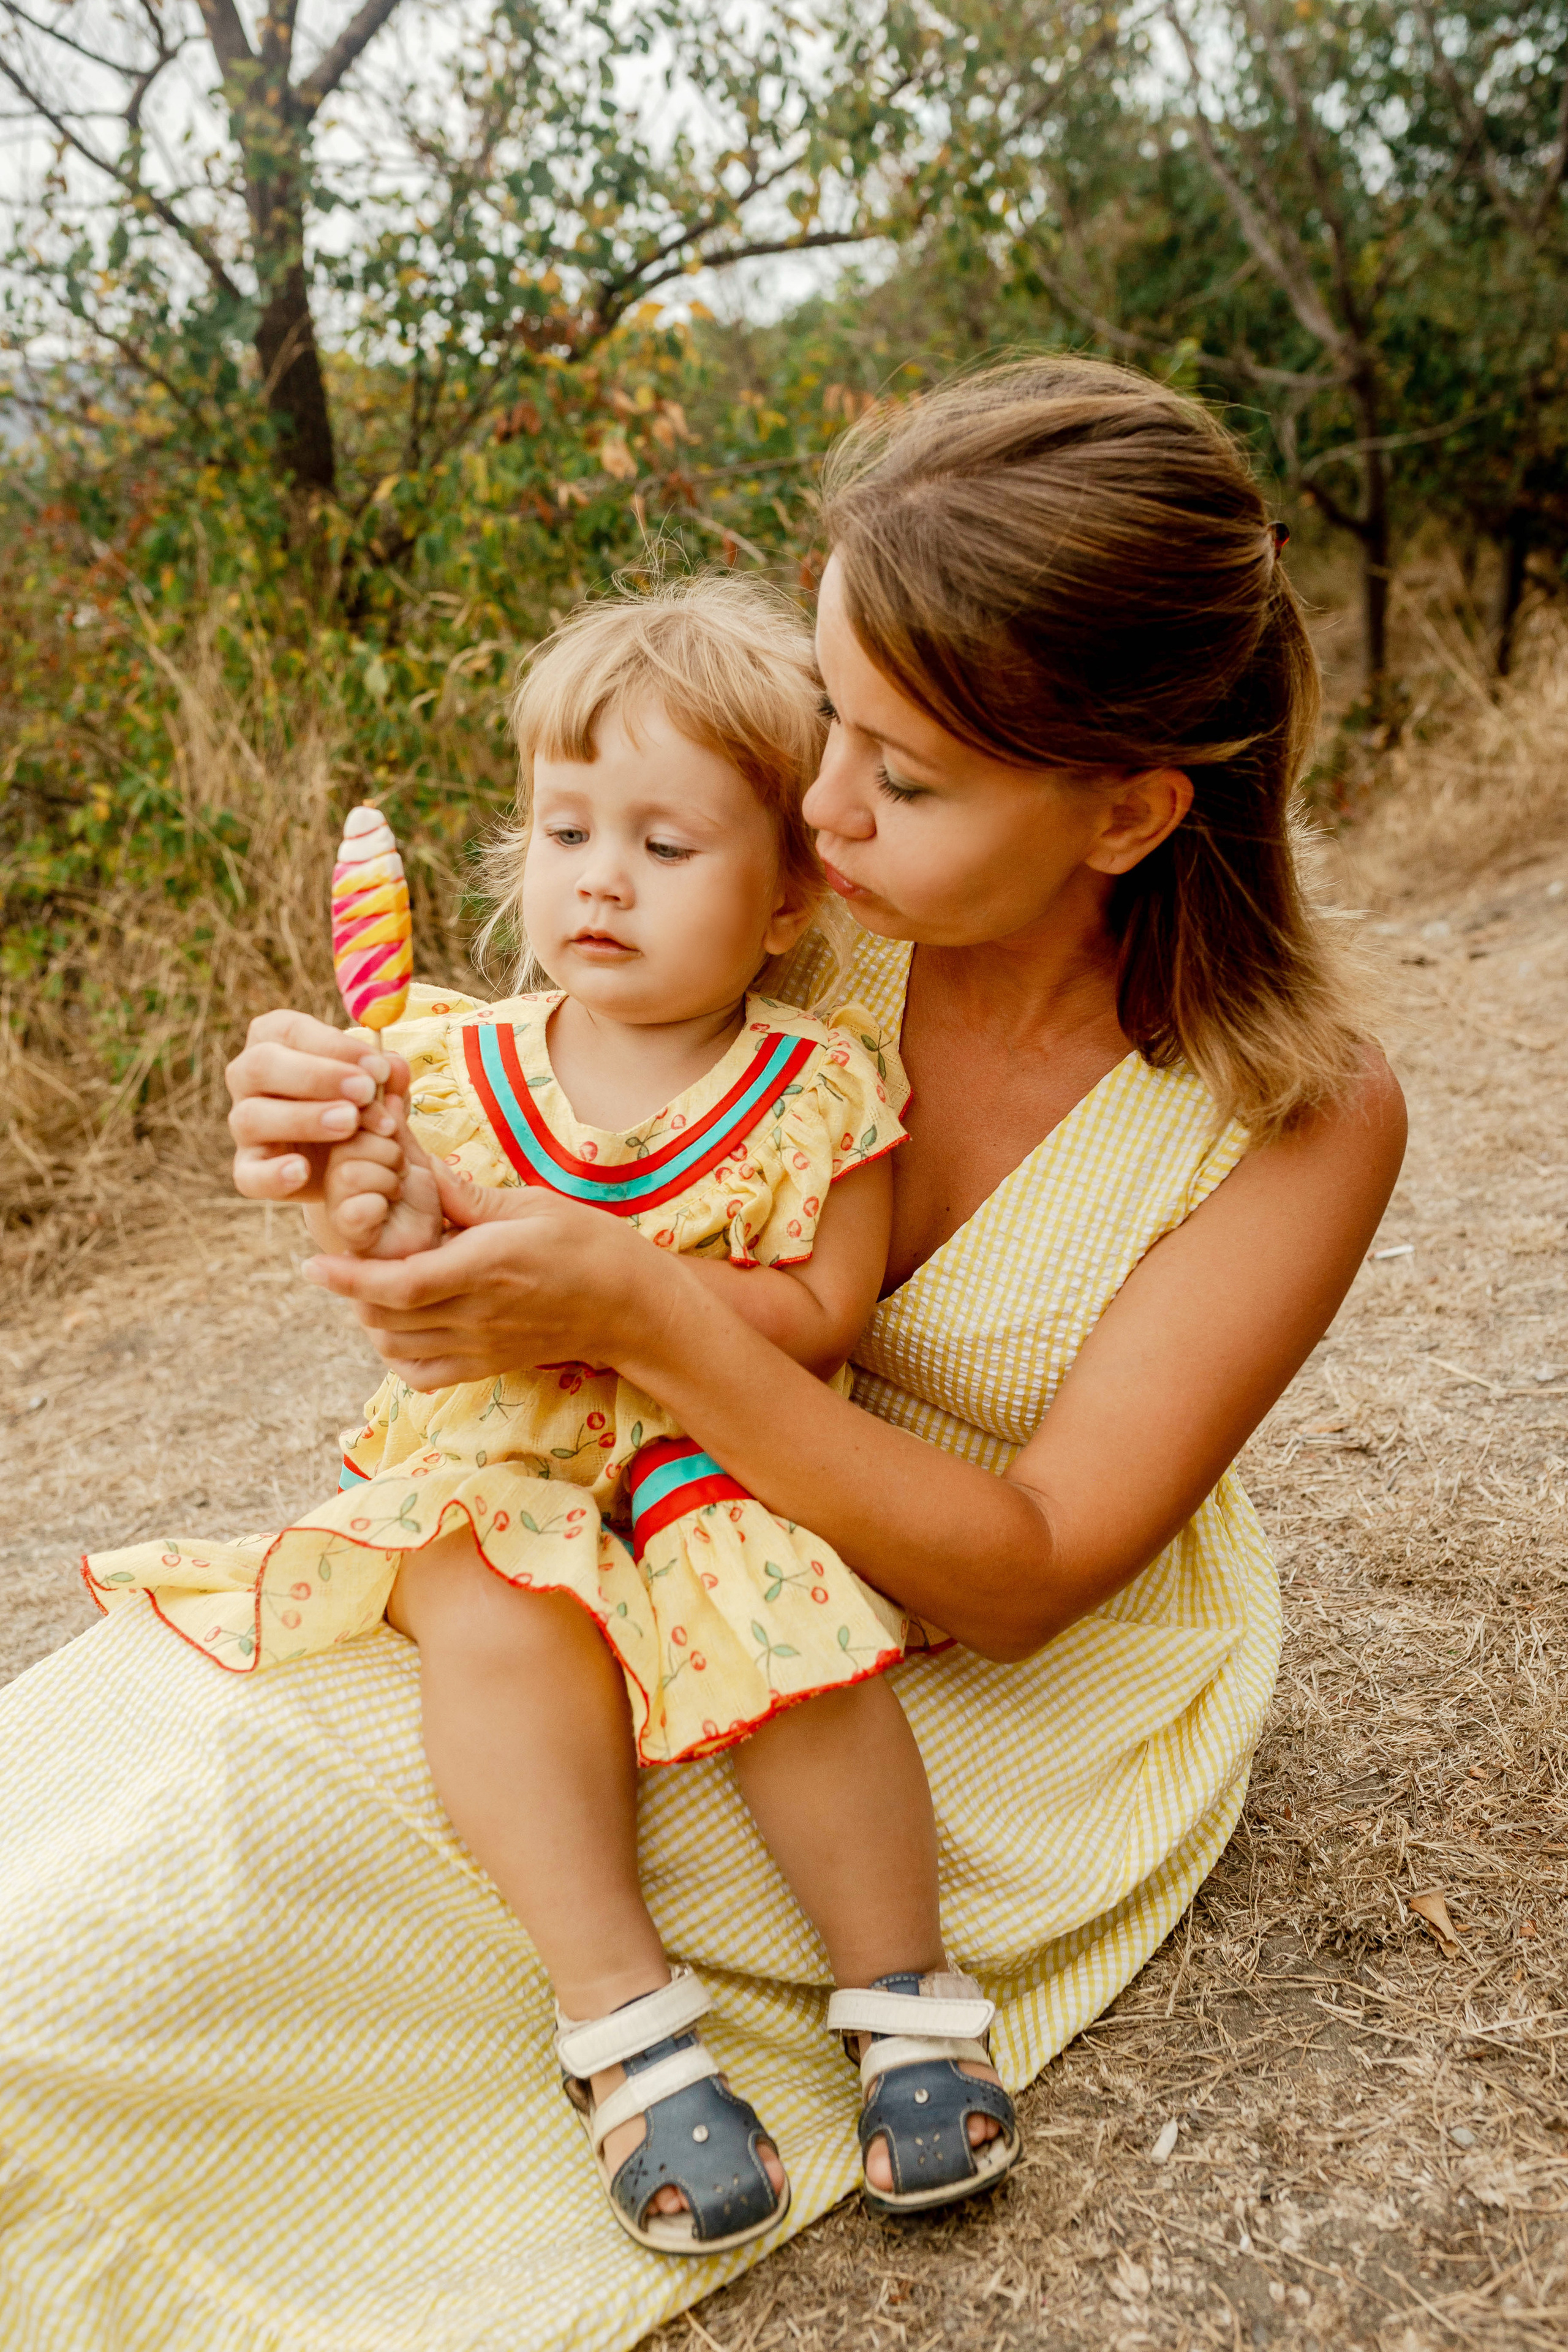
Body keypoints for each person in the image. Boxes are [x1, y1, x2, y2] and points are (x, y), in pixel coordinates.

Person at [0, 356, 1404, 2352]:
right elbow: (524, 1128)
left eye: (902, 776)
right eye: (833, 712)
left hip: (949, 1667)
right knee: (173, 1764)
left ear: (1130, 810)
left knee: (289, 1877)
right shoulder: (785, 909)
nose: (818, 805)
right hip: (596, 1525)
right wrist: (344, 1147)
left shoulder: (1295, 1113)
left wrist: (648, 1318)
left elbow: (1023, 1578)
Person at [80, 577, 1019, 2248]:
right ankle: (632, 2034)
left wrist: (623, 1290)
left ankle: (901, 1994)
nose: (598, 877)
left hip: (708, 1441)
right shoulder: (443, 1060)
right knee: (498, 1609)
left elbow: (816, 1320)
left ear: (793, 894)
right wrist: (367, 1194)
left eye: (668, 847)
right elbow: (394, 1269)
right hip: (491, 1451)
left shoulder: (815, 1090)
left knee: (776, 1606)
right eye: (565, 827)